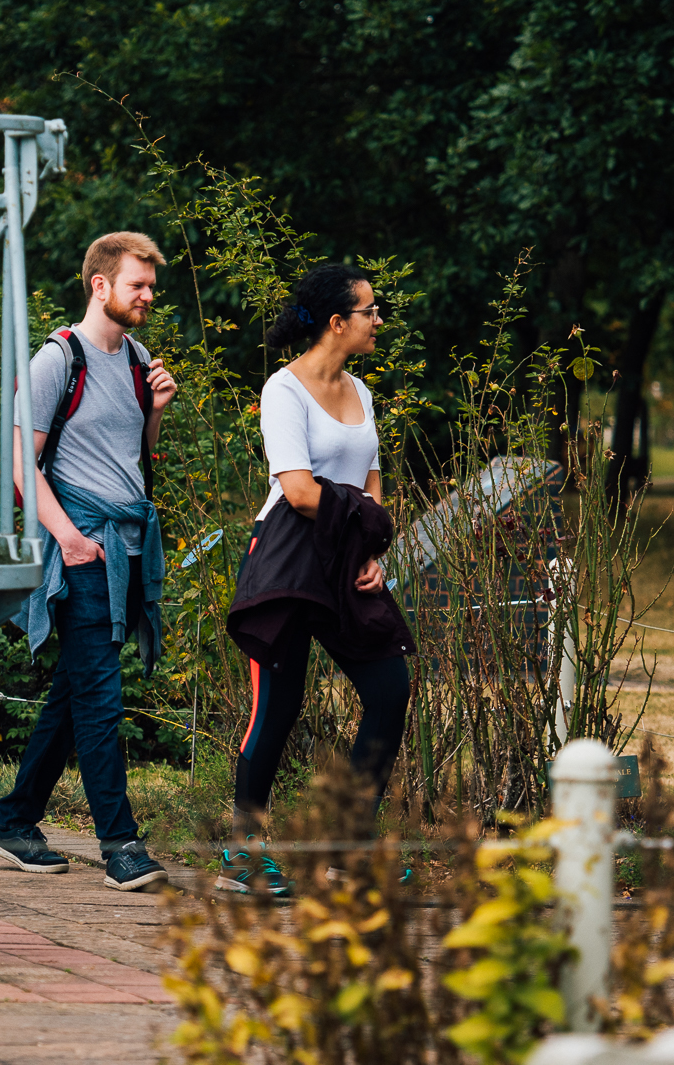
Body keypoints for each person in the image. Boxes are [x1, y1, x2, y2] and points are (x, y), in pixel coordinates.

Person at [219, 263, 415, 897]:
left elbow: (372, 480)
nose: (378, 319)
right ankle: (243, 855)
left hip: (345, 560)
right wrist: (359, 519)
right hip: (287, 560)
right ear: (338, 322)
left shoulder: (361, 391)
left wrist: (372, 548)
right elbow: (299, 492)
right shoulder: (284, 390)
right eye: (370, 310)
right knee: (278, 708)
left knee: (390, 687)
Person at [0, 231, 174, 891]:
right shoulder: (56, 359)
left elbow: (135, 456)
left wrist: (155, 412)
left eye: (150, 285)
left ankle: (16, 820)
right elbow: (22, 462)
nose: (148, 296)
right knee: (100, 696)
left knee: (74, 691)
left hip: (124, 550)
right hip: (83, 550)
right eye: (137, 285)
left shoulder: (136, 358)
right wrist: (66, 536)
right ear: (101, 284)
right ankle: (120, 843)